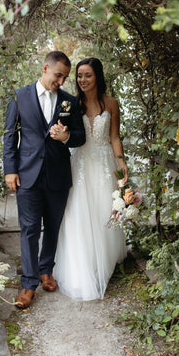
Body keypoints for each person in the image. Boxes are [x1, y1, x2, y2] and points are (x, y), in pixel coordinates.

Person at [3, 51, 86, 309]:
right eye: (58, 75)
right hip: (27, 174)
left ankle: (45, 270)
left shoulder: (69, 101)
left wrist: (65, 137)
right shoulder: (20, 96)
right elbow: (8, 136)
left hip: (58, 174)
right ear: (45, 68)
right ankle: (28, 285)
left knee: (52, 225)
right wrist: (10, 169)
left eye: (65, 77)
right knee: (28, 229)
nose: (61, 81)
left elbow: (80, 136)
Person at [51, 57, 128, 301]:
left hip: (104, 163)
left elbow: (115, 137)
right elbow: (66, 131)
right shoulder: (71, 103)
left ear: (98, 77)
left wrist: (121, 163)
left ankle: (103, 262)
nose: (82, 80)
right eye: (79, 76)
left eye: (88, 75)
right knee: (78, 213)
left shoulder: (112, 103)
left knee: (103, 210)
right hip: (81, 163)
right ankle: (82, 266)